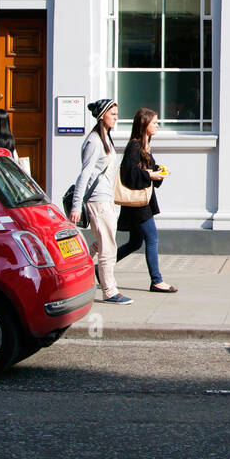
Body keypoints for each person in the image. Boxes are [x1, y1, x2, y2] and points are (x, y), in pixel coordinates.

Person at [70, 99, 131, 305]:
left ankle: (76, 265)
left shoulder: (105, 139)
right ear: (102, 115)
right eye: (112, 114)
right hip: (97, 200)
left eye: (116, 114)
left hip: (105, 200)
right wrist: (76, 205)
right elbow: (85, 174)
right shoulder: (94, 141)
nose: (116, 118)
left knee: (104, 242)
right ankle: (110, 291)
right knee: (108, 248)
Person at [116, 107, 176, 294]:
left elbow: (144, 169)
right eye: (154, 122)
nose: (157, 126)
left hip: (140, 202)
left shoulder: (144, 145)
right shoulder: (134, 146)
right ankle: (156, 281)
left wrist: (158, 170)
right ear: (144, 124)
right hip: (138, 204)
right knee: (152, 238)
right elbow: (129, 174)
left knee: (135, 243)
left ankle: (99, 269)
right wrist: (151, 175)